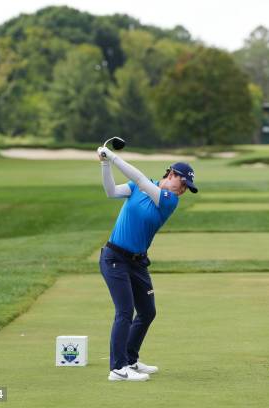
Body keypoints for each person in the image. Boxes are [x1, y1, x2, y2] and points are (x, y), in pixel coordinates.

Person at [96, 145, 198, 381]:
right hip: (114, 258)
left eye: (186, 188)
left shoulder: (169, 200)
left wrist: (112, 156)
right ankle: (118, 369)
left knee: (147, 311)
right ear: (171, 174)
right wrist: (104, 164)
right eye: (182, 183)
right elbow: (111, 191)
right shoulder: (139, 187)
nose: (182, 190)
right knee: (124, 311)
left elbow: (141, 181)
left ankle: (130, 359)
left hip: (137, 263)